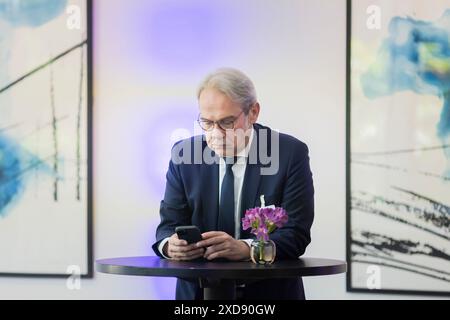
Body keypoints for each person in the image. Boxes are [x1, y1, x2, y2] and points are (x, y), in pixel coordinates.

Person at [152, 68, 314, 300]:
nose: (216, 134)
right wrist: (170, 246)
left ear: (253, 112)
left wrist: (247, 248)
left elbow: (296, 235)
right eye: (206, 122)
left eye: (227, 122)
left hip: (269, 295)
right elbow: (168, 226)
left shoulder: (288, 154)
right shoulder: (184, 154)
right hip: (198, 295)